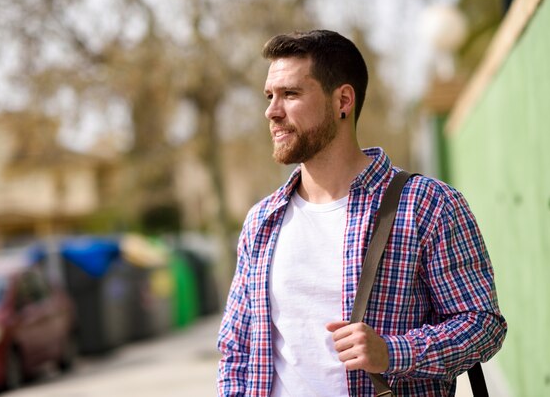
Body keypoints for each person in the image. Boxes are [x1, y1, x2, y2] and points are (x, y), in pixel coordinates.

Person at [217, 29, 506, 397]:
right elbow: (237, 348)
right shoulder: (262, 221)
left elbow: (482, 325)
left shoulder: (427, 205)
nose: (272, 111)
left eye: (290, 94)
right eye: (270, 96)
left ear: (343, 101)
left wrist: (393, 352)